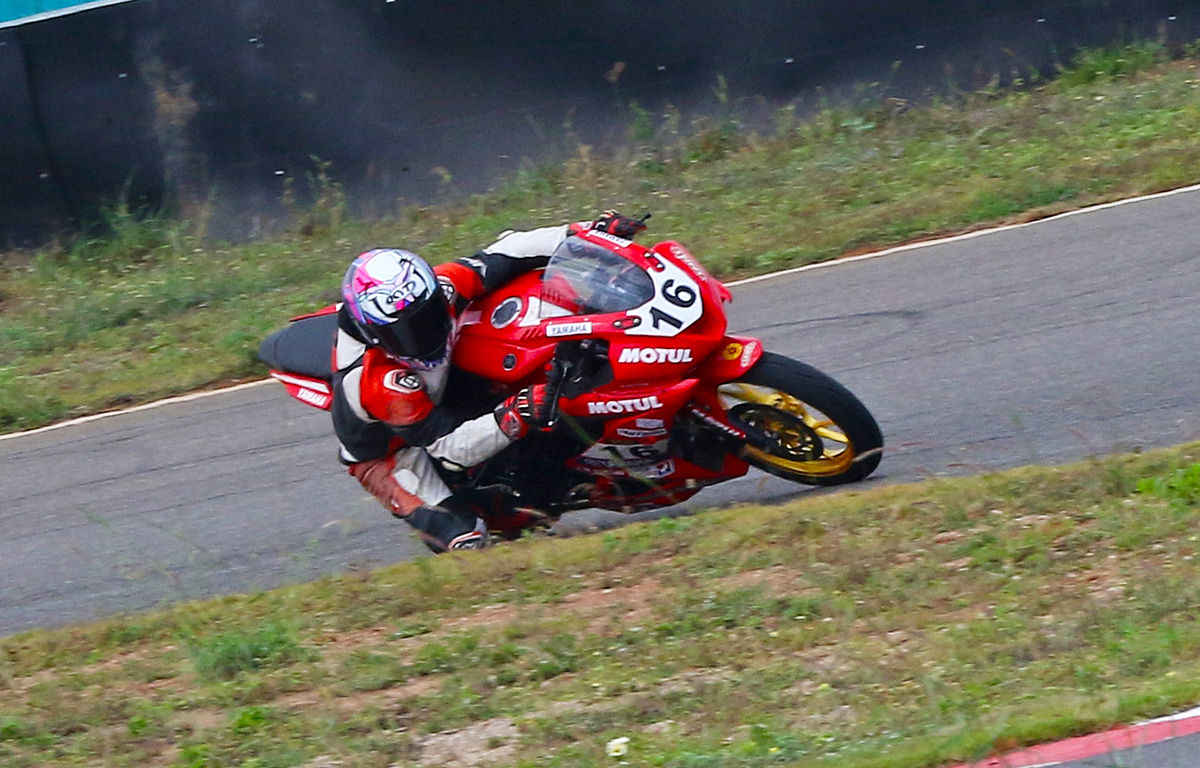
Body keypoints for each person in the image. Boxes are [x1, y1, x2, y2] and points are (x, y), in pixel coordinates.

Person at [332, 210, 648, 552]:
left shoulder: (441, 288)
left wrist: (585, 234)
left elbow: (504, 254)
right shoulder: (378, 381)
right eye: (404, 333)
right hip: (397, 450)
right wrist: (518, 411)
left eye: (428, 318)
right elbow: (450, 448)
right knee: (467, 540)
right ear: (373, 334)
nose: (423, 335)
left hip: (445, 386)